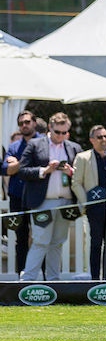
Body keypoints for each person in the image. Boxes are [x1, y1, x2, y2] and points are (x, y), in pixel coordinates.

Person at [17, 112, 82, 281]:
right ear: (49, 128)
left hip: (66, 202)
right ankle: (27, 280)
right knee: (40, 241)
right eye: (57, 132)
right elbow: (22, 171)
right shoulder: (35, 144)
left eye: (64, 133)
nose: (60, 136)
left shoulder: (73, 148)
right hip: (42, 202)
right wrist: (44, 171)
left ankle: (53, 280)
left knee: (57, 242)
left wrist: (71, 172)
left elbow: (81, 176)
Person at [72, 124, 106, 280]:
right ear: (92, 140)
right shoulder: (83, 157)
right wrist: (87, 202)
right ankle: (95, 279)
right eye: (100, 137)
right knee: (95, 244)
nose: (104, 140)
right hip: (94, 206)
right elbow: (76, 183)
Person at [4, 110, 39, 279]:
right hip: (17, 197)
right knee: (21, 239)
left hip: (39, 197)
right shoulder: (14, 147)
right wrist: (20, 165)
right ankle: (22, 278)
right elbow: (7, 170)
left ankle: (46, 277)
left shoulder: (43, 142)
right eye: (21, 123)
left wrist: (18, 163)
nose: (24, 125)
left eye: (27, 122)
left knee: (42, 238)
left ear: (34, 123)